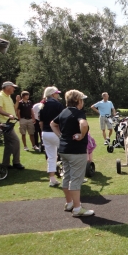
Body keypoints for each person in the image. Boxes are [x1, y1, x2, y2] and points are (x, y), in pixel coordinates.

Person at [50, 89, 94, 217]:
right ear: (77, 101)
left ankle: (69, 203)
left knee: (67, 176)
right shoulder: (78, 113)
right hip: (76, 151)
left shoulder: (64, 112)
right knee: (75, 179)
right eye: (82, 99)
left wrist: (60, 136)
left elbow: (53, 124)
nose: (83, 102)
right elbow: (84, 124)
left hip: (64, 150)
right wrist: (82, 135)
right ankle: (77, 208)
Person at [0, 81, 24, 170]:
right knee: (16, 141)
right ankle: (16, 162)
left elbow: (14, 109)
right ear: (7, 88)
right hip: (3, 123)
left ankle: (5, 164)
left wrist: (17, 101)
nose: (14, 89)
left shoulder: (9, 97)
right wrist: (8, 115)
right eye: (13, 87)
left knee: (8, 144)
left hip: (8, 123)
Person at [39, 86, 64, 187]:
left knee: (51, 157)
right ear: (53, 94)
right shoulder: (57, 105)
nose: (58, 95)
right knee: (66, 154)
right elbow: (62, 120)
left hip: (45, 133)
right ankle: (68, 178)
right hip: (55, 132)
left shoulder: (42, 105)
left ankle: (52, 179)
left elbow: (40, 122)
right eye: (57, 93)